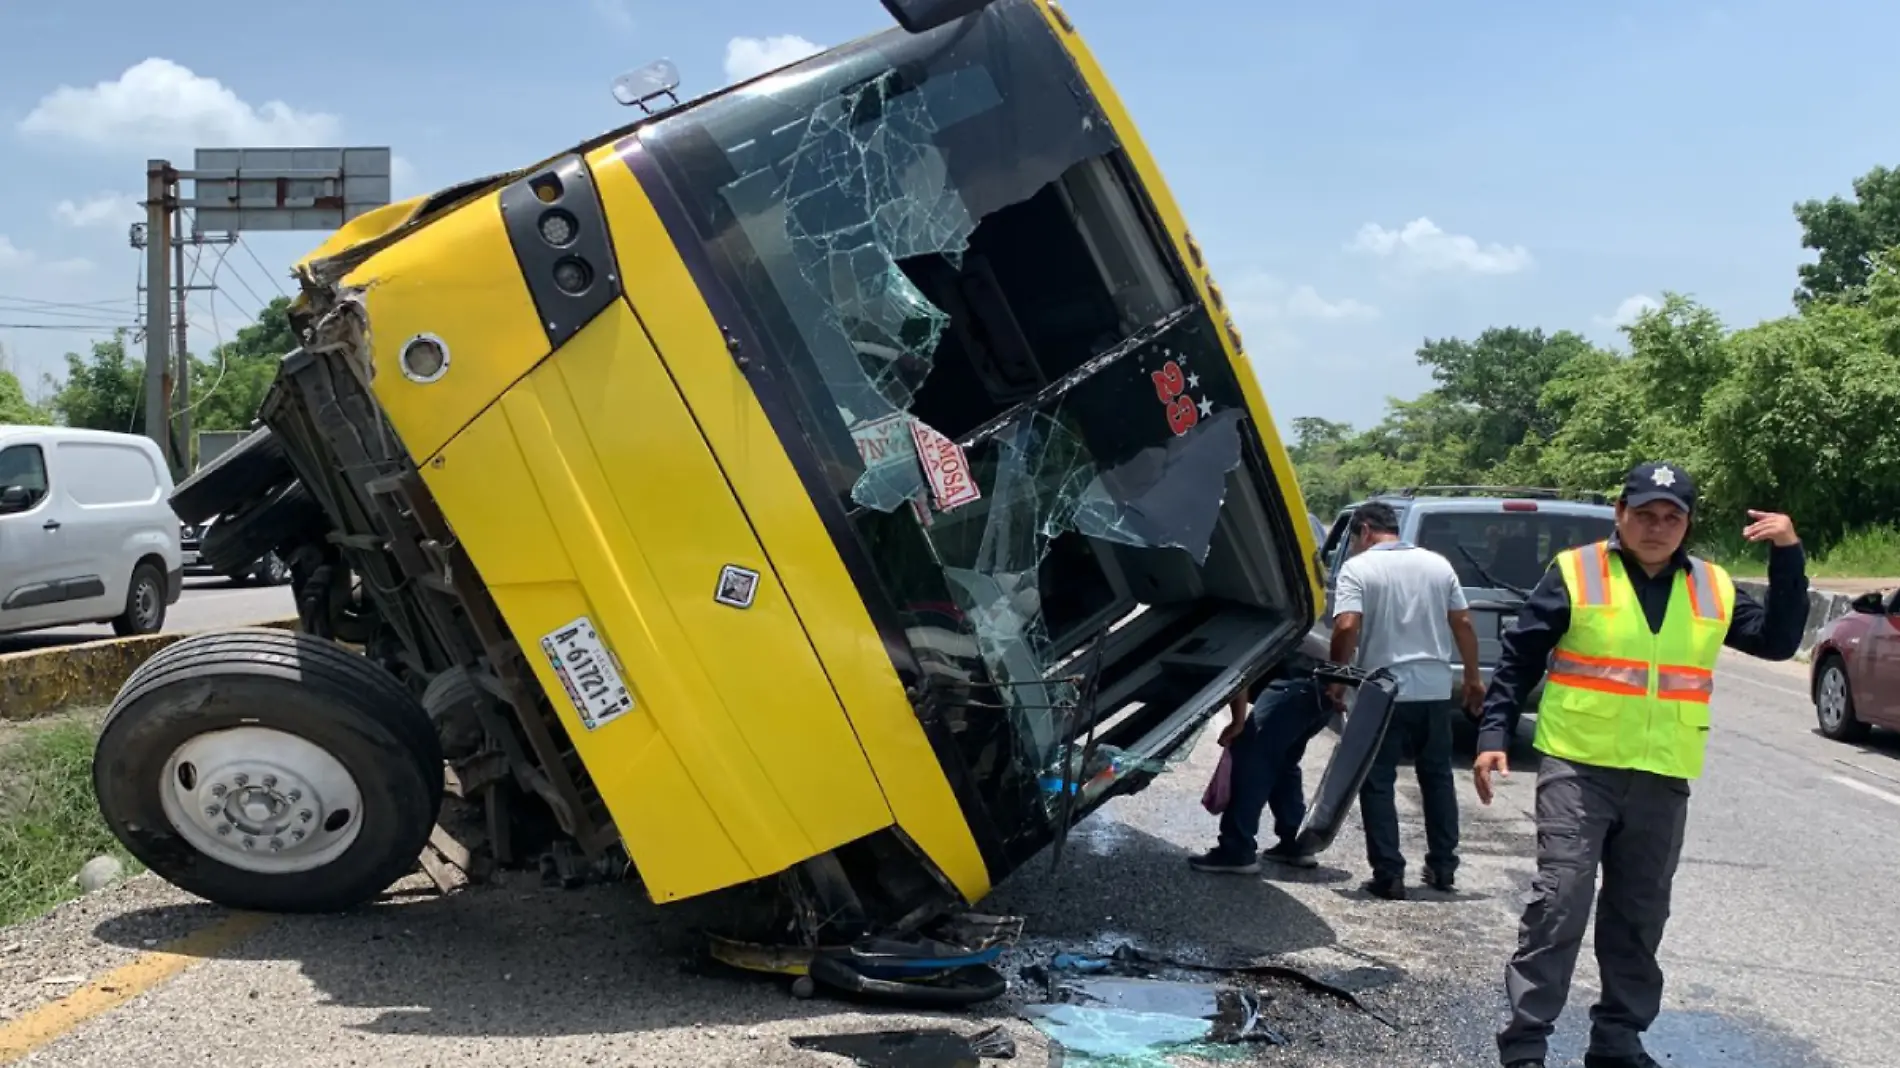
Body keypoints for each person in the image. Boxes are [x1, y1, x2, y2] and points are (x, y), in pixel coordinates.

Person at [1472, 462, 1808, 1068]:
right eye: (1644, 514)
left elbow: (1780, 643)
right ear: (1620, 514)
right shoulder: (1577, 572)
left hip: (1661, 773)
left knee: (1640, 912)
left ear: (1687, 524)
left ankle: (1618, 1040)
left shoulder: (1713, 585)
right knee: (1561, 901)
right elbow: (1522, 655)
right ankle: (1525, 1043)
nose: (1656, 528)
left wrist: (1788, 554)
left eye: (1670, 517)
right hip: (1579, 766)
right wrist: (1494, 731)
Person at [1326, 501, 1485, 901]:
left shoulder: (1358, 568)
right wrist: (1471, 676)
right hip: (1432, 689)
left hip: (1382, 691)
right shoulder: (1437, 564)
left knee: (1377, 781)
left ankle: (1389, 874)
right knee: (1436, 777)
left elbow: (1346, 625)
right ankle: (1444, 867)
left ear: (1364, 531)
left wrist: (1337, 677)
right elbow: (1462, 622)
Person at [1187, 668, 1335, 874]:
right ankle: (1295, 843)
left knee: (1252, 759)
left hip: (1290, 689)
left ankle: (1236, 849)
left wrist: (1238, 722)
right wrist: (1338, 684)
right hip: (1319, 691)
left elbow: (1238, 668)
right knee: (1284, 764)